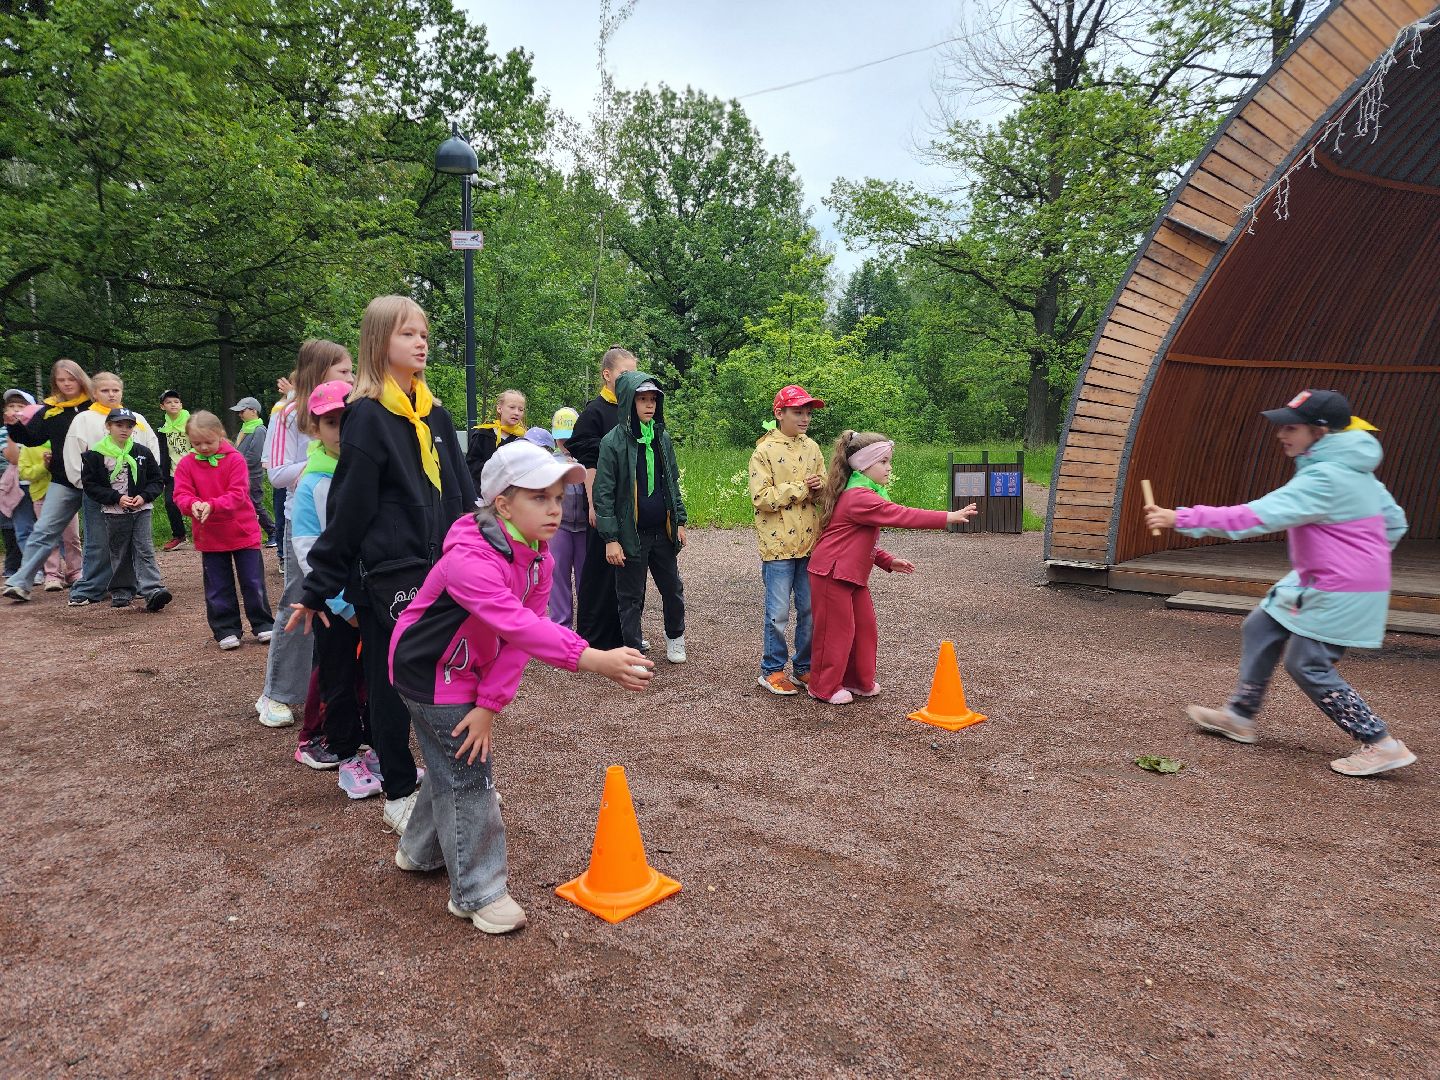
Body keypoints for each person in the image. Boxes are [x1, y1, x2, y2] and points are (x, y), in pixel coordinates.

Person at [388, 439, 653, 933]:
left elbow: (518, 642)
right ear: (503, 505)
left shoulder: (537, 559)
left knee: (451, 761)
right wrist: (593, 658)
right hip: (429, 673)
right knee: (470, 775)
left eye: (558, 497)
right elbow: (522, 626)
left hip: (462, 669)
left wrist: (490, 704)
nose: (555, 509)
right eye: (539, 498)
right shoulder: (471, 559)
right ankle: (478, 892)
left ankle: (419, 852)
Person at [1144, 389, 1415, 777]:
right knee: (1262, 624)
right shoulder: (1355, 472)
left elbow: (1255, 517)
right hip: (1323, 578)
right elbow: (1395, 523)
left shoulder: (1325, 477)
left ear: (1320, 431)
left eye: (1291, 428)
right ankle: (1240, 715)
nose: (1280, 434)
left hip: (1340, 586)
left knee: (1307, 663)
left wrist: (1180, 518)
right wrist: (1359, 557)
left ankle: (1380, 743)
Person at [290, 295, 475, 836]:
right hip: (390, 576)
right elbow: (349, 508)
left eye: (424, 334)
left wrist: (480, 553)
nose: (421, 343)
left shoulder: (436, 414)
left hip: (442, 569)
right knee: (390, 681)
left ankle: (450, 775)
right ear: (379, 342)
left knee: (447, 671)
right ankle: (398, 788)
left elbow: (459, 494)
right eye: (407, 334)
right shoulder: (367, 417)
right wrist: (319, 586)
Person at [807, 431, 977, 705]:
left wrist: (886, 560)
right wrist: (947, 516)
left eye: (889, 461)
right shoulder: (859, 497)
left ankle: (857, 680)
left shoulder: (864, 493)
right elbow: (901, 514)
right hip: (831, 573)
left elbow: (855, 541)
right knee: (835, 633)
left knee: (864, 629)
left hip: (850, 573)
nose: (889, 468)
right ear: (864, 465)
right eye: (883, 462)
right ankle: (822, 687)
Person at [256, 342, 353, 729]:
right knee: (300, 601)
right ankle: (276, 693)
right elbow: (277, 473)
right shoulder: (288, 412)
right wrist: (320, 465)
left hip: (346, 517)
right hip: (306, 521)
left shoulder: (353, 408)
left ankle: (328, 693)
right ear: (320, 370)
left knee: (342, 605)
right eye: (343, 371)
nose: (351, 377)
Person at [287, 380, 370, 781]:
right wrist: (338, 602)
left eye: (348, 421)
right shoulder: (312, 482)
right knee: (336, 674)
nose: (341, 431)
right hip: (336, 604)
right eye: (332, 423)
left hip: (371, 596)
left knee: (370, 674)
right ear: (315, 429)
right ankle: (340, 745)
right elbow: (308, 548)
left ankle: (366, 740)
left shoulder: (369, 470)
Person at [593, 371, 689, 663]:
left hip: (662, 531)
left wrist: (679, 521)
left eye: (653, 400)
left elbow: (671, 482)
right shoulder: (612, 442)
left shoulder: (661, 438)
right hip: (630, 534)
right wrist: (611, 539)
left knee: (672, 589)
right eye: (642, 399)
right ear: (627, 402)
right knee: (631, 596)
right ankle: (633, 650)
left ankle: (675, 637)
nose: (649, 405)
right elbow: (603, 493)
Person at [749, 385, 827, 695]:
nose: (805, 418)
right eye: (798, 412)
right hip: (777, 547)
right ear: (779, 413)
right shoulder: (764, 451)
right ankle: (772, 670)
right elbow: (761, 498)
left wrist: (820, 488)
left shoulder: (813, 447)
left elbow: (823, 491)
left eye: (808, 412)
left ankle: (803, 667)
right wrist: (802, 488)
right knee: (778, 613)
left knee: (810, 610)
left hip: (809, 545)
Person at [173, 411, 273, 650]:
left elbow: (238, 493)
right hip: (210, 535)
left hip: (242, 532)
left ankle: (262, 623)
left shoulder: (235, 459)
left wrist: (212, 505)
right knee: (217, 585)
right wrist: (191, 504)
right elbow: (181, 494)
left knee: (252, 581)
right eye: (196, 443)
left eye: (208, 442)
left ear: (220, 434)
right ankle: (226, 629)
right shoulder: (186, 464)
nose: (203, 447)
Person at [63, 372, 161, 607]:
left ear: (122, 392)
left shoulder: (137, 419)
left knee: (138, 543)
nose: (111, 394)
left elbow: (151, 449)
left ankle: (138, 585)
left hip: (135, 493)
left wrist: (145, 487)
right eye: (105, 390)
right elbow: (74, 454)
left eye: (115, 390)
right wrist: (86, 486)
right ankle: (92, 586)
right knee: (99, 542)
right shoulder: (84, 419)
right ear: (94, 393)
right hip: (100, 493)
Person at [3, 359, 93, 602]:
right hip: (63, 480)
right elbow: (32, 438)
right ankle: (20, 582)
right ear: (54, 383)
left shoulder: (94, 405)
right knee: (43, 530)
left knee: (100, 534)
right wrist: (14, 426)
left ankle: (102, 581)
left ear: (80, 379)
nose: (67, 384)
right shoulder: (50, 409)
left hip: (96, 480)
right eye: (61, 380)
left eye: (71, 379)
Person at [567, 346, 638, 650]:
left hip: (630, 505)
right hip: (604, 503)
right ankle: (594, 637)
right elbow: (589, 463)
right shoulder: (595, 412)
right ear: (607, 375)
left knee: (627, 569)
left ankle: (625, 633)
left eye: (633, 373)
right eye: (624, 373)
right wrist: (594, 505)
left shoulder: (634, 410)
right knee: (599, 568)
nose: (629, 379)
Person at [78, 407, 171, 612]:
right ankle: (122, 590)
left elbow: (157, 480)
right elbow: (91, 486)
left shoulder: (142, 452)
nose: (124, 429)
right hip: (114, 511)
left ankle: (152, 589)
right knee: (119, 550)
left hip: (142, 509)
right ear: (108, 426)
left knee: (144, 548)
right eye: (119, 425)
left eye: (129, 426)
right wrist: (116, 498)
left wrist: (144, 496)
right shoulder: (95, 455)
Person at [547, 406, 587, 629]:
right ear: (555, 438)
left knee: (586, 578)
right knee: (557, 576)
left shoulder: (587, 459)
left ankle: (588, 625)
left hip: (584, 527)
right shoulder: (548, 462)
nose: (566, 444)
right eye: (562, 439)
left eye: (570, 439)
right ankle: (561, 626)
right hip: (559, 528)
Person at [230, 395, 276, 544]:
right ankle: (245, 533)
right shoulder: (245, 428)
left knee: (255, 504)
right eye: (239, 412)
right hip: (241, 474)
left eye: (242, 411)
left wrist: (236, 465)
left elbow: (255, 455)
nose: (240, 414)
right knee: (241, 504)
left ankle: (272, 531)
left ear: (254, 411)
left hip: (253, 475)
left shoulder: (259, 430)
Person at [464, 389, 527, 492]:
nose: (516, 413)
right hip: (483, 493)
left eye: (521, 409)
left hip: (512, 494)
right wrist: (495, 470)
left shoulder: (523, 439)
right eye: (512, 407)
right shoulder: (483, 434)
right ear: (499, 408)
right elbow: (471, 465)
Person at [156, 390, 192, 551]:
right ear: (162, 406)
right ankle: (179, 536)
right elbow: (162, 452)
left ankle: (207, 532)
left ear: (181, 405)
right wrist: (162, 474)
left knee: (201, 500)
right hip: (173, 472)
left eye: (176, 402)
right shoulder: (162, 428)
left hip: (193, 470)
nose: (173, 405)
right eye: (169, 402)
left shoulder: (191, 422)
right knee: (170, 502)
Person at [265, 373, 295, 555]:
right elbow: (272, 434)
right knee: (282, 511)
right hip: (283, 466)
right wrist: (266, 458)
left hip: (297, 469)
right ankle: (283, 554)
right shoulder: (281, 408)